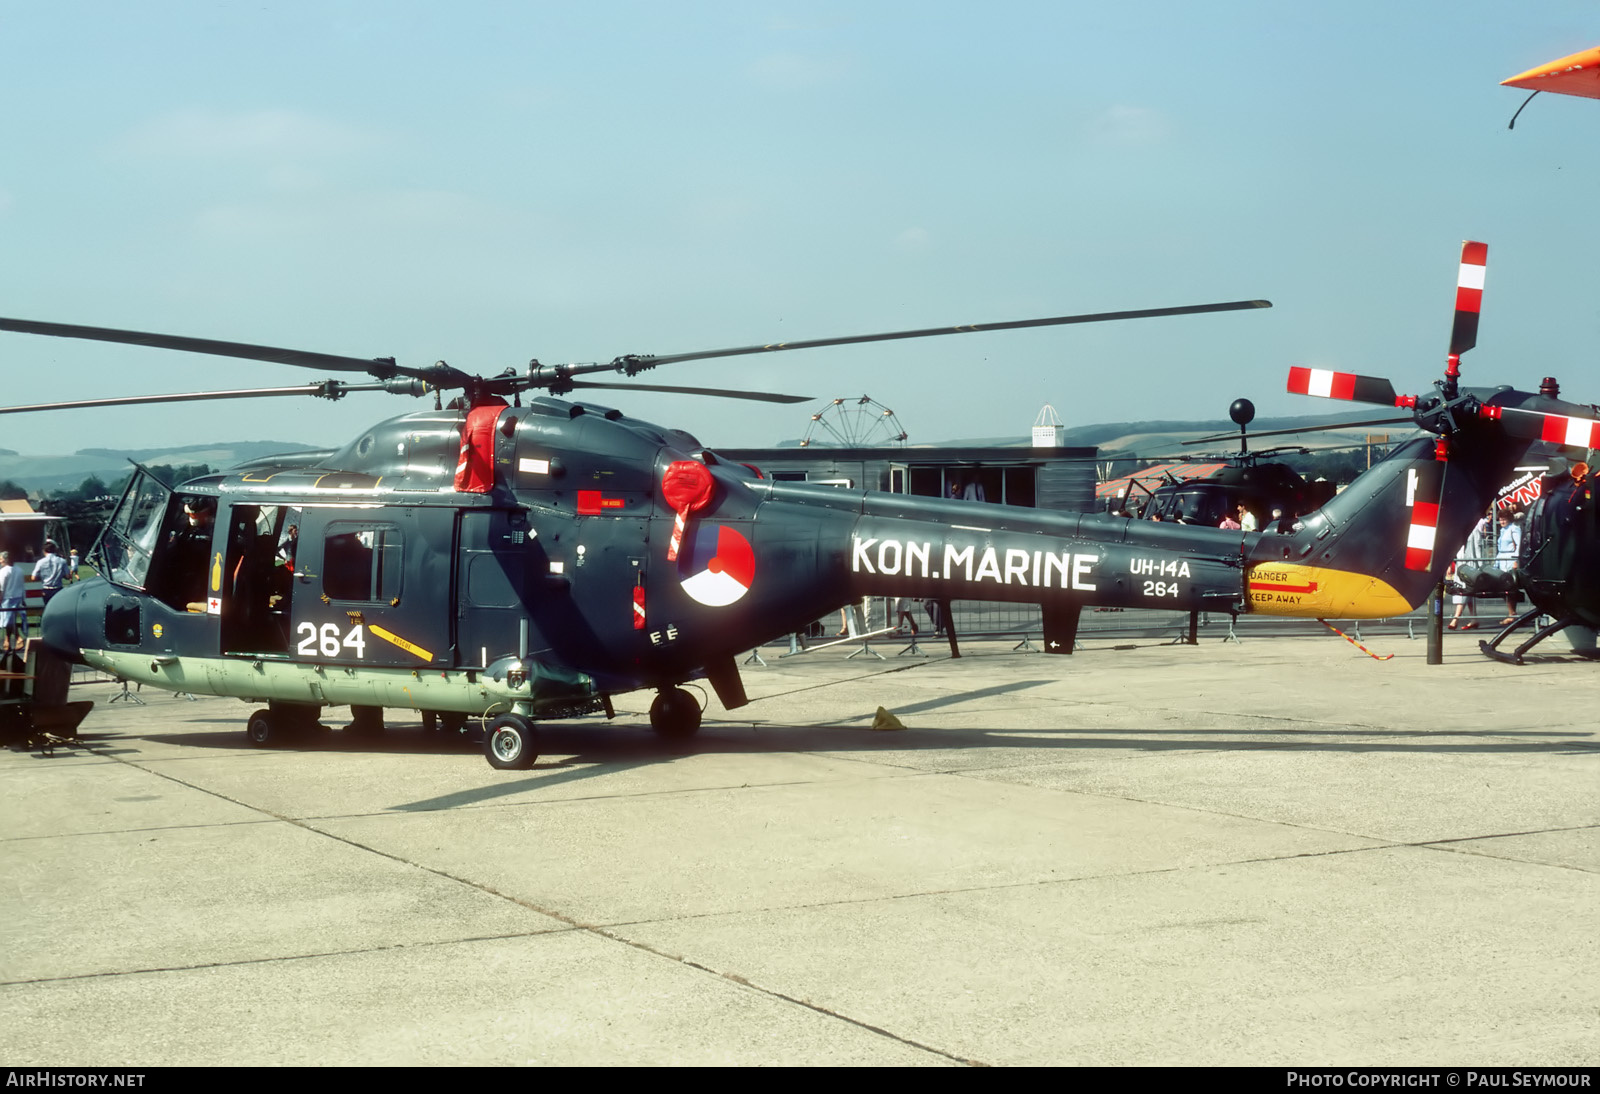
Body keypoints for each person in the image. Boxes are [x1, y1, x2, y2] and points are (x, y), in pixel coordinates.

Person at [1495, 508, 1522, 624]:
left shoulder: (1514, 529)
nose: (1502, 522)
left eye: (1504, 519)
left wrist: (1516, 561)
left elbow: (1519, 545)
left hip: (1510, 561)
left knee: (1509, 588)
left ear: (1509, 519)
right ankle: (1512, 613)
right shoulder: (1502, 530)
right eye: (1500, 520)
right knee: (1504, 589)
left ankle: (1512, 614)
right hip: (1501, 560)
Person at [0, 551, 26, 654]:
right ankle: (7, 642)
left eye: (1, 558)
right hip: (17, 597)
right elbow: (22, 586)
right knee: (10, 621)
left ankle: (18, 638)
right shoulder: (19, 570)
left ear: (5, 559)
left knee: (7, 622)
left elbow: (1, 588)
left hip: (7, 598)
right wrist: (23, 599)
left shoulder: (3, 571)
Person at [31, 540, 69, 608]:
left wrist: (42, 577)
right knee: (58, 608)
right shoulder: (62, 561)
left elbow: (33, 577)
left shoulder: (40, 562)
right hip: (58, 589)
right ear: (55, 550)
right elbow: (68, 576)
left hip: (46, 589)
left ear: (44, 551)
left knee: (47, 608)